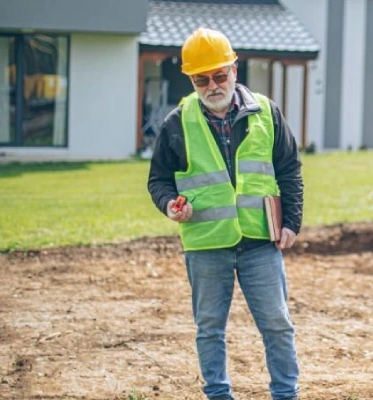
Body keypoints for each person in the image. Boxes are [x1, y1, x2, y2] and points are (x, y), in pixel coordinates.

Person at [147, 27, 303, 400]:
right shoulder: (177, 122)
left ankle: (286, 394)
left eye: (220, 75)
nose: (213, 85)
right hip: (206, 243)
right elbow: (159, 180)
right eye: (202, 79)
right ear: (191, 79)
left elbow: (289, 169)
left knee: (277, 324)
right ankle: (217, 395)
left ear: (234, 69)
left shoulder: (266, 112)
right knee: (209, 328)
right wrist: (170, 204)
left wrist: (292, 221)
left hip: (260, 240)